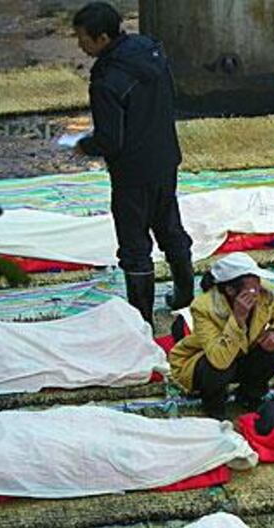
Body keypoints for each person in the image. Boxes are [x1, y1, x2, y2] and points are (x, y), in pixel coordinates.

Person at [72, 2, 194, 329]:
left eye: (82, 38)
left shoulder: (107, 80)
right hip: (165, 158)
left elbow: (111, 139)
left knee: (135, 245)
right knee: (169, 226)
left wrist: (85, 145)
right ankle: (185, 294)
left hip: (132, 173)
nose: (79, 44)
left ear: (101, 38)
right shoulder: (150, 51)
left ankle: (142, 321)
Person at [169, 253, 274, 419]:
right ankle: (213, 404)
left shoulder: (264, 294)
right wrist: (238, 319)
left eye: (258, 285)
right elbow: (218, 359)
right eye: (251, 289)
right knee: (219, 366)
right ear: (230, 290)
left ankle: (249, 396)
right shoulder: (203, 307)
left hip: (241, 357)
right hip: (208, 365)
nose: (257, 293)